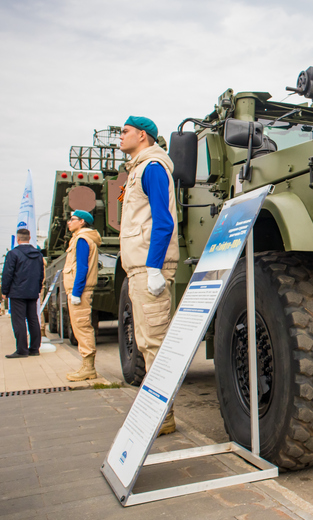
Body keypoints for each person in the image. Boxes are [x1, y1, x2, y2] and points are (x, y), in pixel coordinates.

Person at [119, 116, 179, 434]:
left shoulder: (153, 167)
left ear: (142, 135)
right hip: (139, 268)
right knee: (146, 343)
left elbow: (163, 219)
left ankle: (164, 416)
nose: (120, 136)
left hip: (148, 268)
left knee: (154, 344)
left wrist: (155, 266)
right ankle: (159, 411)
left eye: (125, 131)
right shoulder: (140, 168)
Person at [63, 210, 103, 381]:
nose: (68, 222)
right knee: (80, 327)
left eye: (72, 220)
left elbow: (82, 268)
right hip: (78, 290)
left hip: (80, 291)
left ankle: (88, 368)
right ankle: (86, 366)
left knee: (82, 327)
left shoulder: (82, 239)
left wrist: (77, 292)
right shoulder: (81, 238)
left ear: (82, 222)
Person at [1, 228, 44, 358]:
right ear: (29, 238)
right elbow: (40, 274)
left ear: (18, 239)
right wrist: (37, 288)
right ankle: (35, 349)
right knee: (33, 319)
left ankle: (22, 350)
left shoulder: (13, 254)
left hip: (17, 292)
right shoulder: (38, 254)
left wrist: (4, 291)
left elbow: (7, 274)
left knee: (19, 320)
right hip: (32, 291)